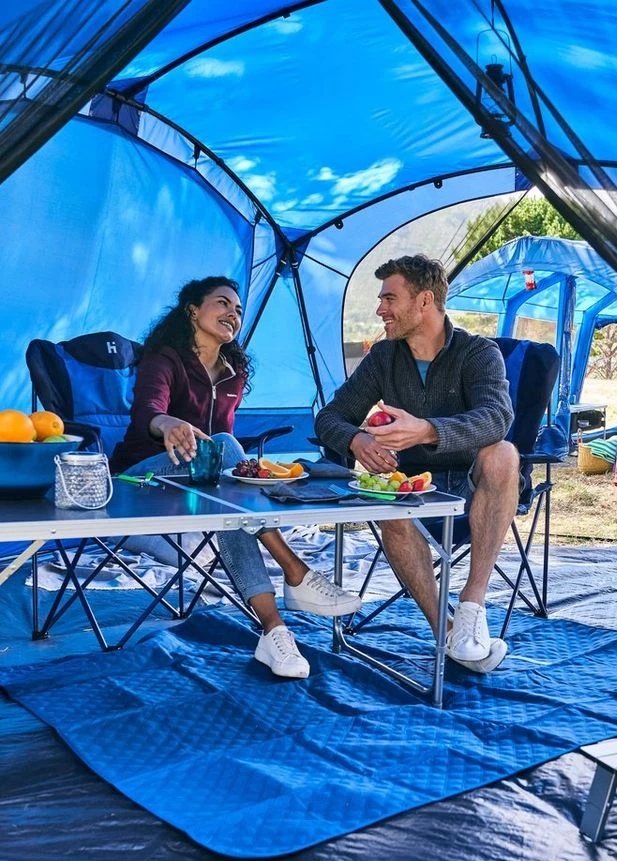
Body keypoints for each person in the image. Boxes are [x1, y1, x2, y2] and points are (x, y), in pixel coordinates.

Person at [111, 276, 362, 679]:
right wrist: (169, 422)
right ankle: (295, 573)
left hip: (202, 484)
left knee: (238, 512)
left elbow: (219, 458)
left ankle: (275, 631)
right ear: (193, 309)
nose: (233, 313)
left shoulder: (233, 374)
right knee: (228, 449)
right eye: (223, 303)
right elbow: (146, 412)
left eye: (239, 309)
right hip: (141, 480)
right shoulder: (165, 358)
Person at [314, 255, 519, 673]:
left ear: (425, 301)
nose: (380, 309)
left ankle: (471, 607)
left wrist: (426, 430)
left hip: (469, 485)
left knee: (503, 453)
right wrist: (356, 439)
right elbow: (328, 418)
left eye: (390, 298)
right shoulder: (383, 358)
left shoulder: (478, 353)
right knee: (383, 490)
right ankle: (447, 633)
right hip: (409, 489)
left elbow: (497, 417)